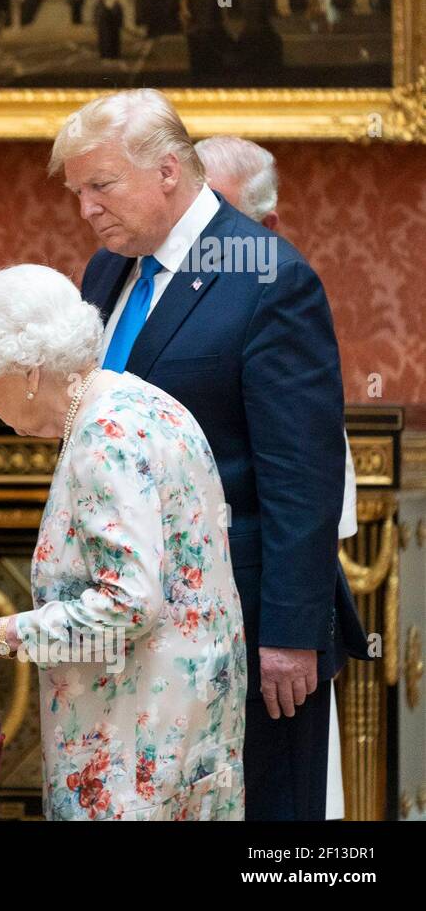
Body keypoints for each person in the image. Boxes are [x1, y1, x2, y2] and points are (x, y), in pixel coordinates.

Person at [52, 89, 368, 820]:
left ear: (168, 171)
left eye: (100, 186)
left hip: (245, 623)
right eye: (76, 192)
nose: (86, 210)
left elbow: (301, 478)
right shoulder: (109, 268)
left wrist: (290, 636)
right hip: (133, 615)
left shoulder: (267, 274)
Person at [0, 265, 247, 820]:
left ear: (31, 373)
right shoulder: (147, 403)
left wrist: (8, 634)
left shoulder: (101, 439)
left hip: (131, 754)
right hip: (195, 733)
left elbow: (129, 605)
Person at [196, 133, 358, 820]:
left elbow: (307, 495)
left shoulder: (277, 299)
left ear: (264, 227)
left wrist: (290, 634)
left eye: (217, 216)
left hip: (266, 623)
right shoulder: (130, 281)